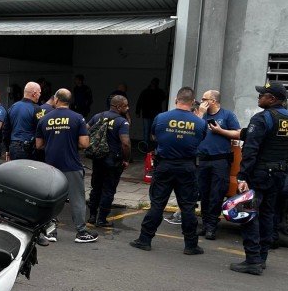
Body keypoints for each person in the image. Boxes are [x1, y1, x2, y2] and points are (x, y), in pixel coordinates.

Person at [231, 81, 288, 275]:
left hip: (259, 175)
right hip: (279, 175)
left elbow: (251, 150)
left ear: (272, 99)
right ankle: (262, 258)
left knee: (247, 214)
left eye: (262, 94)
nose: (259, 97)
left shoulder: (261, 119)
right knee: (268, 215)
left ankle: (252, 260)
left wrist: (242, 176)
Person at [129, 87, 207, 254]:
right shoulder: (200, 122)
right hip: (187, 166)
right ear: (193, 102)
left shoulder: (162, 118)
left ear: (176, 100)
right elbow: (201, 138)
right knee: (187, 206)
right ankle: (191, 245)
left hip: (164, 165)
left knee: (157, 204)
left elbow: (154, 137)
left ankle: (145, 240)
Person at [35, 88, 98, 243]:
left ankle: (51, 232)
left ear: (56, 99)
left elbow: (38, 145)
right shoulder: (78, 118)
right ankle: (81, 232)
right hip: (71, 165)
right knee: (77, 199)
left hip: (51, 166)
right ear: (70, 101)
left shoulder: (44, 119)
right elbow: (84, 143)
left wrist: (53, 143)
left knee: (52, 199)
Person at [195, 90, 240, 239]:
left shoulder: (227, 115)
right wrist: (200, 115)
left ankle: (212, 227)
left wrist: (221, 131)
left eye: (204, 99)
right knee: (204, 193)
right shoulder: (201, 114)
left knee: (216, 194)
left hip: (220, 160)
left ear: (212, 101)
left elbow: (239, 133)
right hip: (203, 159)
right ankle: (205, 224)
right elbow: (193, 130)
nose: (201, 102)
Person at [86, 95, 131, 227]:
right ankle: (102, 219)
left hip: (98, 158)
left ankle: (92, 216)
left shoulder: (97, 116)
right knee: (109, 190)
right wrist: (126, 159)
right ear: (118, 106)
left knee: (96, 188)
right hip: (113, 161)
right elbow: (126, 144)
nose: (127, 108)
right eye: (125, 106)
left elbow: (85, 129)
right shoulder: (122, 122)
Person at [3, 82, 42, 161]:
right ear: (34, 94)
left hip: (13, 147)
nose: (40, 95)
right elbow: (40, 130)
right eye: (39, 92)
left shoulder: (12, 107)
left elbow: (6, 130)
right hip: (29, 149)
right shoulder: (37, 109)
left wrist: (7, 149)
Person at [136, 78, 168, 149]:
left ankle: (154, 147)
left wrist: (138, 112)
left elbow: (164, 97)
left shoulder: (159, 92)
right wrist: (137, 112)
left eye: (155, 83)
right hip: (148, 114)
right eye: (153, 83)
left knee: (154, 131)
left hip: (154, 114)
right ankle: (146, 147)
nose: (154, 84)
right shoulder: (146, 91)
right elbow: (140, 101)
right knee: (147, 131)